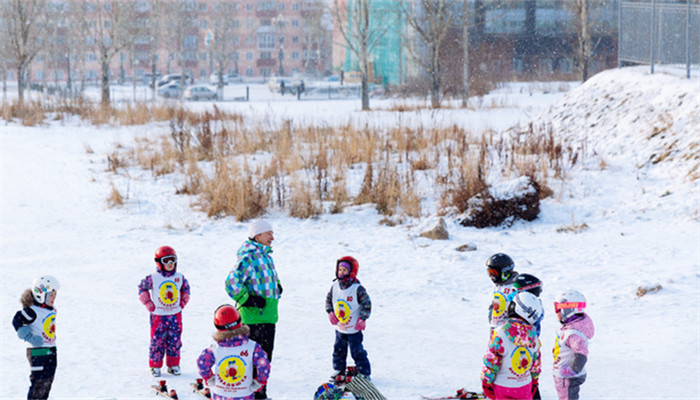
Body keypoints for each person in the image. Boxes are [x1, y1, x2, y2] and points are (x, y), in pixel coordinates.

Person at [225, 219, 281, 399]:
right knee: (252, 360)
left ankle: (260, 394)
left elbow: (270, 277)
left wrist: (278, 286)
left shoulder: (267, 256)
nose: (272, 237)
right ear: (257, 235)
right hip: (252, 320)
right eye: (269, 233)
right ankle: (247, 395)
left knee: (265, 361)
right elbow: (231, 283)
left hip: (269, 317)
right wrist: (248, 299)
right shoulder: (248, 257)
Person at [197, 305, 270, 400]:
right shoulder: (252, 347)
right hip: (244, 394)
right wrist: (260, 381)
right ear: (240, 321)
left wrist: (209, 378)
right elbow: (263, 364)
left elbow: (202, 362)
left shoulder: (215, 348)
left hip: (221, 394)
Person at [138, 245, 191, 377]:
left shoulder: (179, 277)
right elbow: (142, 288)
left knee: (175, 340)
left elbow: (186, 289)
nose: (170, 264)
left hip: (175, 315)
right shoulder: (154, 277)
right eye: (166, 260)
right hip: (159, 316)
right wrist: (148, 303)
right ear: (159, 262)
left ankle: (173, 364)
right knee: (158, 341)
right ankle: (155, 365)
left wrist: (183, 301)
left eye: (172, 260)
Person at [481, 291, 543, 400]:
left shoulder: (500, 333)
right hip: (524, 385)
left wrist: (486, 382)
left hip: (503, 385)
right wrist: (534, 381)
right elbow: (536, 364)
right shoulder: (533, 336)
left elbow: (491, 361)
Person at [12, 276, 60, 400]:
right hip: (38, 352)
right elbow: (17, 319)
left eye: (55, 295)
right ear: (41, 295)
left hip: (50, 350)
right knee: (39, 383)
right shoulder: (33, 311)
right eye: (51, 295)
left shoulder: (51, 309)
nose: (54, 298)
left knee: (48, 382)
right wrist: (27, 335)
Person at [325, 256, 372, 383]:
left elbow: (366, 304)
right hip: (340, 328)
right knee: (338, 350)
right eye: (339, 269)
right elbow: (329, 300)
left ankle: (364, 372)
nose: (341, 272)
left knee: (357, 351)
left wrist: (363, 318)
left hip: (354, 328)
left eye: (344, 270)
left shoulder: (357, 289)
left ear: (352, 271)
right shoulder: (334, 287)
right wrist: (330, 313)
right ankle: (338, 369)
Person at [552, 289, 595, 400]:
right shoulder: (571, 328)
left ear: (567, 310)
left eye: (557, 309)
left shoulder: (573, 334)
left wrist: (572, 371)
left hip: (568, 378)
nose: (556, 312)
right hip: (565, 377)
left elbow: (581, 353)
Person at [486, 253, 519, 332]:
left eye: (494, 273)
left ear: (505, 272)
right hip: (495, 328)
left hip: (509, 330)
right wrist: (491, 313)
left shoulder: (515, 287)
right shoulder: (498, 286)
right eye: (489, 273)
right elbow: (496, 302)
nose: (492, 276)